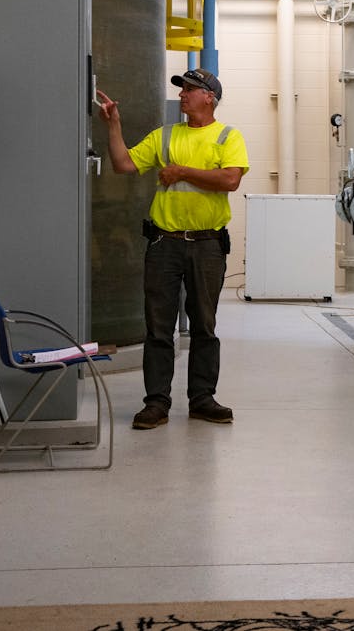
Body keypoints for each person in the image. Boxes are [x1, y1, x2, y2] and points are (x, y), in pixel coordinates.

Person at [96, 68, 249, 429]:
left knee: (205, 326)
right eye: (182, 90)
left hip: (208, 244)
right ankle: (157, 403)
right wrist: (113, 125)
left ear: (209, 97)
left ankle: (202, 399)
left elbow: (230, 179)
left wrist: (181, 172)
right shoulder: (164, 136)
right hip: (165, 243)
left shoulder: (228, 136)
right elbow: (123, 164)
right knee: (159, 327)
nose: (182, 95)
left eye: (190, 90)